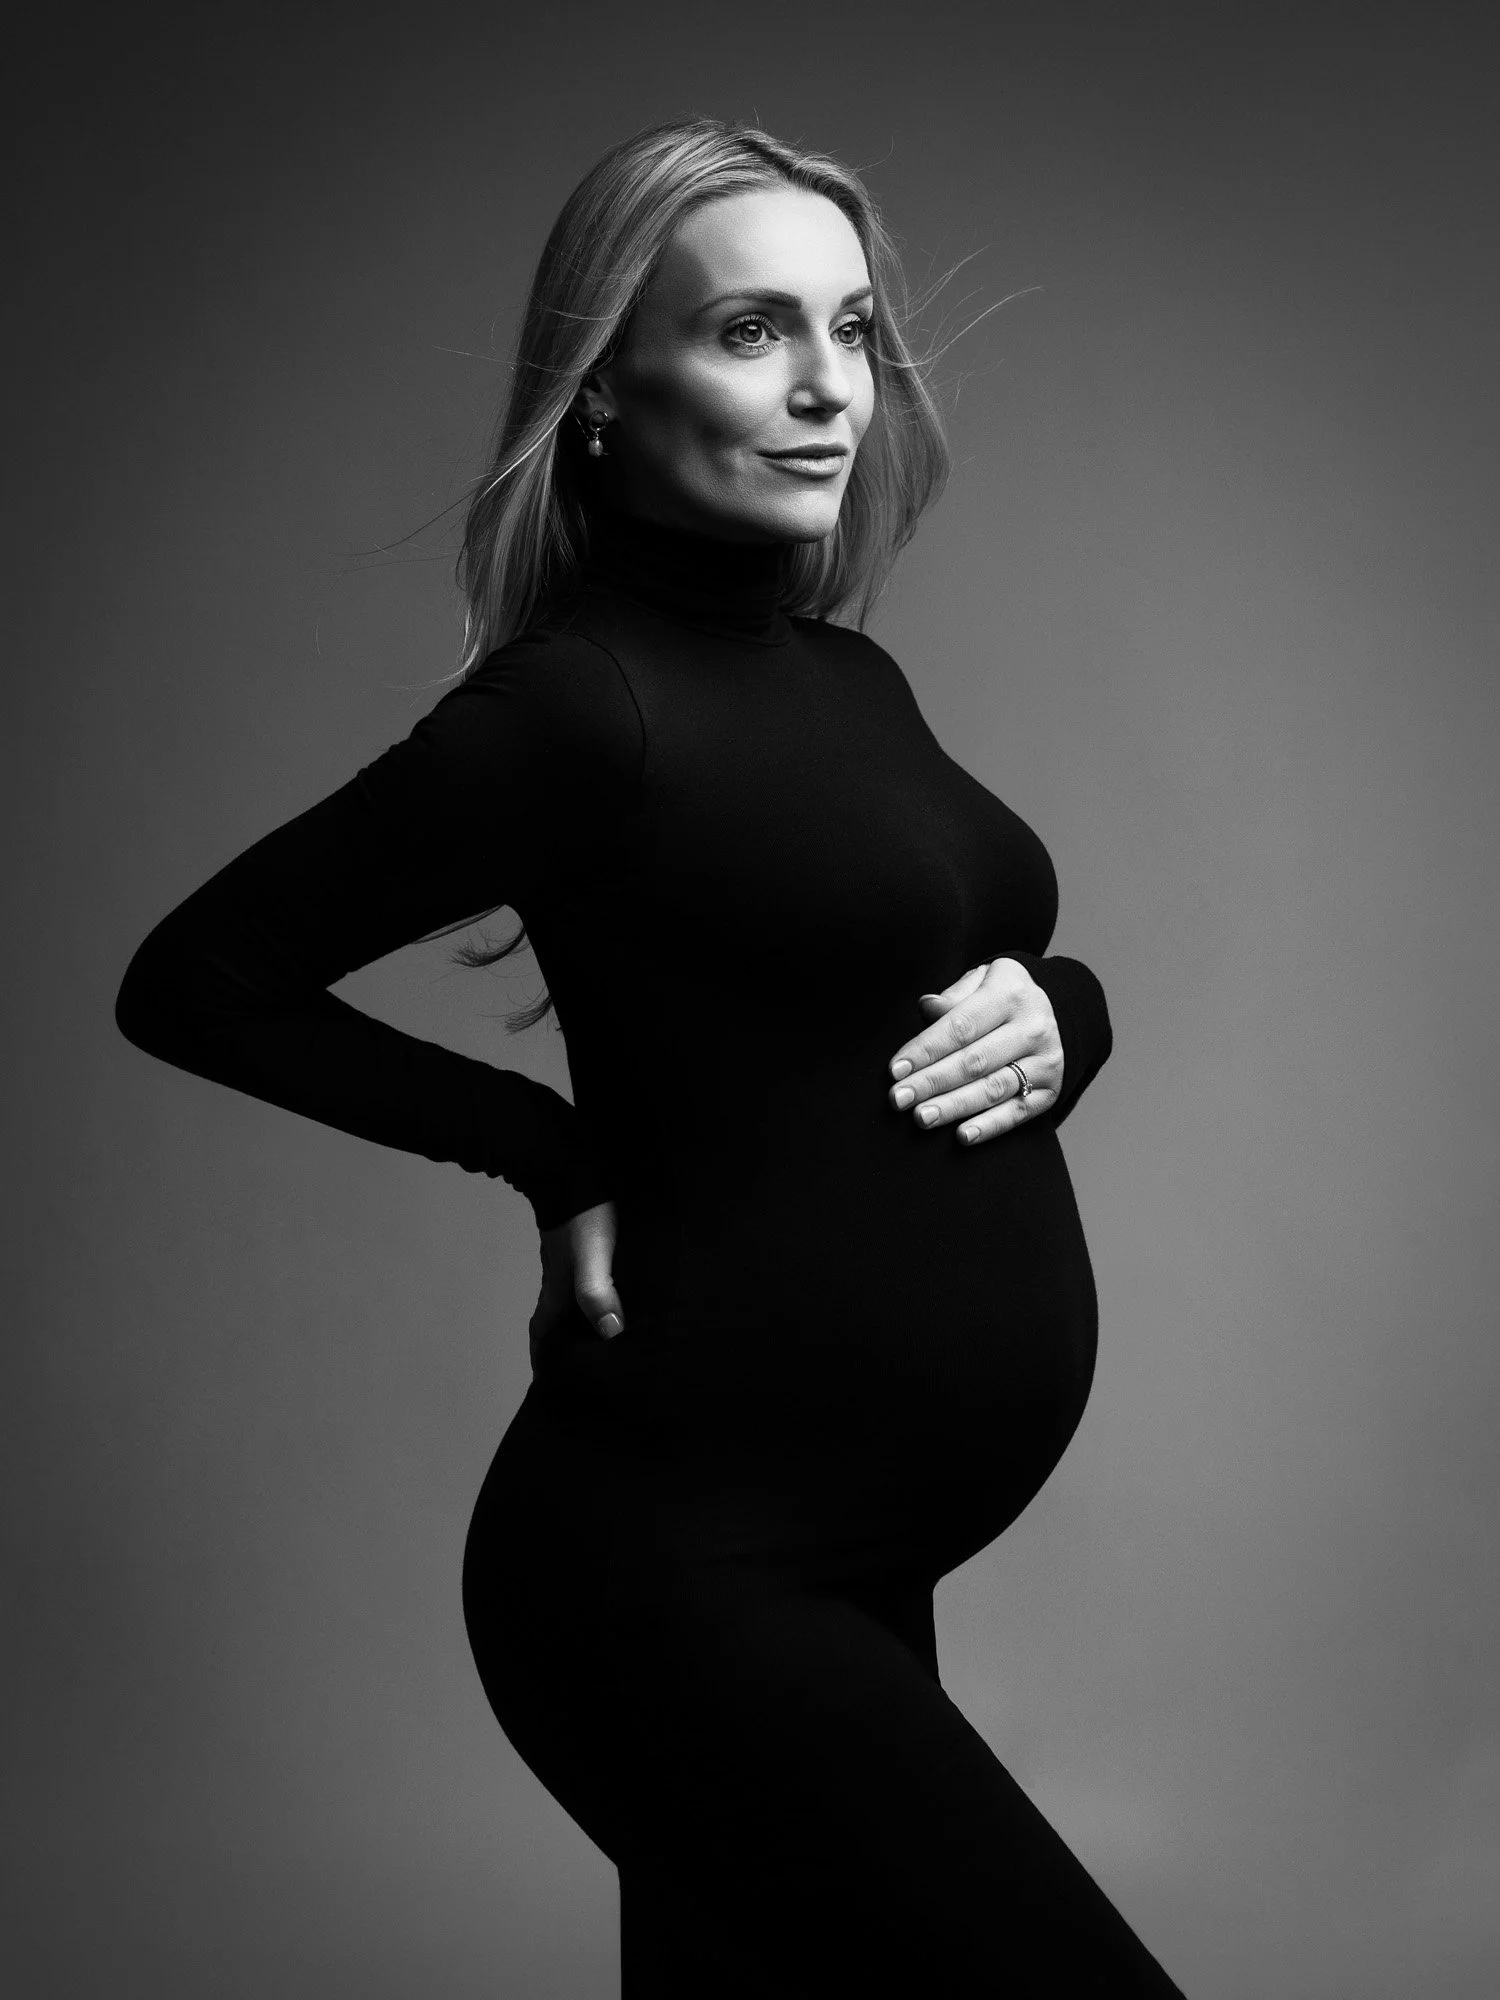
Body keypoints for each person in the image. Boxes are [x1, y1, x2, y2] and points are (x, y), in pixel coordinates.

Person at [116, 117, 1184, 1996]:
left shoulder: (850, 677)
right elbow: (197, 979)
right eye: (754, 331)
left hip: (853, 1561)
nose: (830, 388)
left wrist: (1068, 1010)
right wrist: (549, 1149)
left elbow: (933, 968)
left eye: (853, 330)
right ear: (605, 386)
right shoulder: (573, 708)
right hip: (682, 1575)